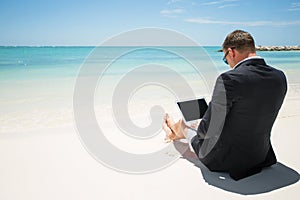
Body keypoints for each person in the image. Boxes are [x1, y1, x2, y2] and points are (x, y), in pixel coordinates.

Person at [163, 30, 287, 180]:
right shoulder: (279, 77)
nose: (228, 64)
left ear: (231, 52)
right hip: (261, 155)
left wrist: (199, 125)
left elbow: (207, 132)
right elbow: (249, 112)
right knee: (198, 122)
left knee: (186, 125)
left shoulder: (230, 79)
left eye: (225, 59)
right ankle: (173, 130)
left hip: (226, 160)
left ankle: (173, 131)